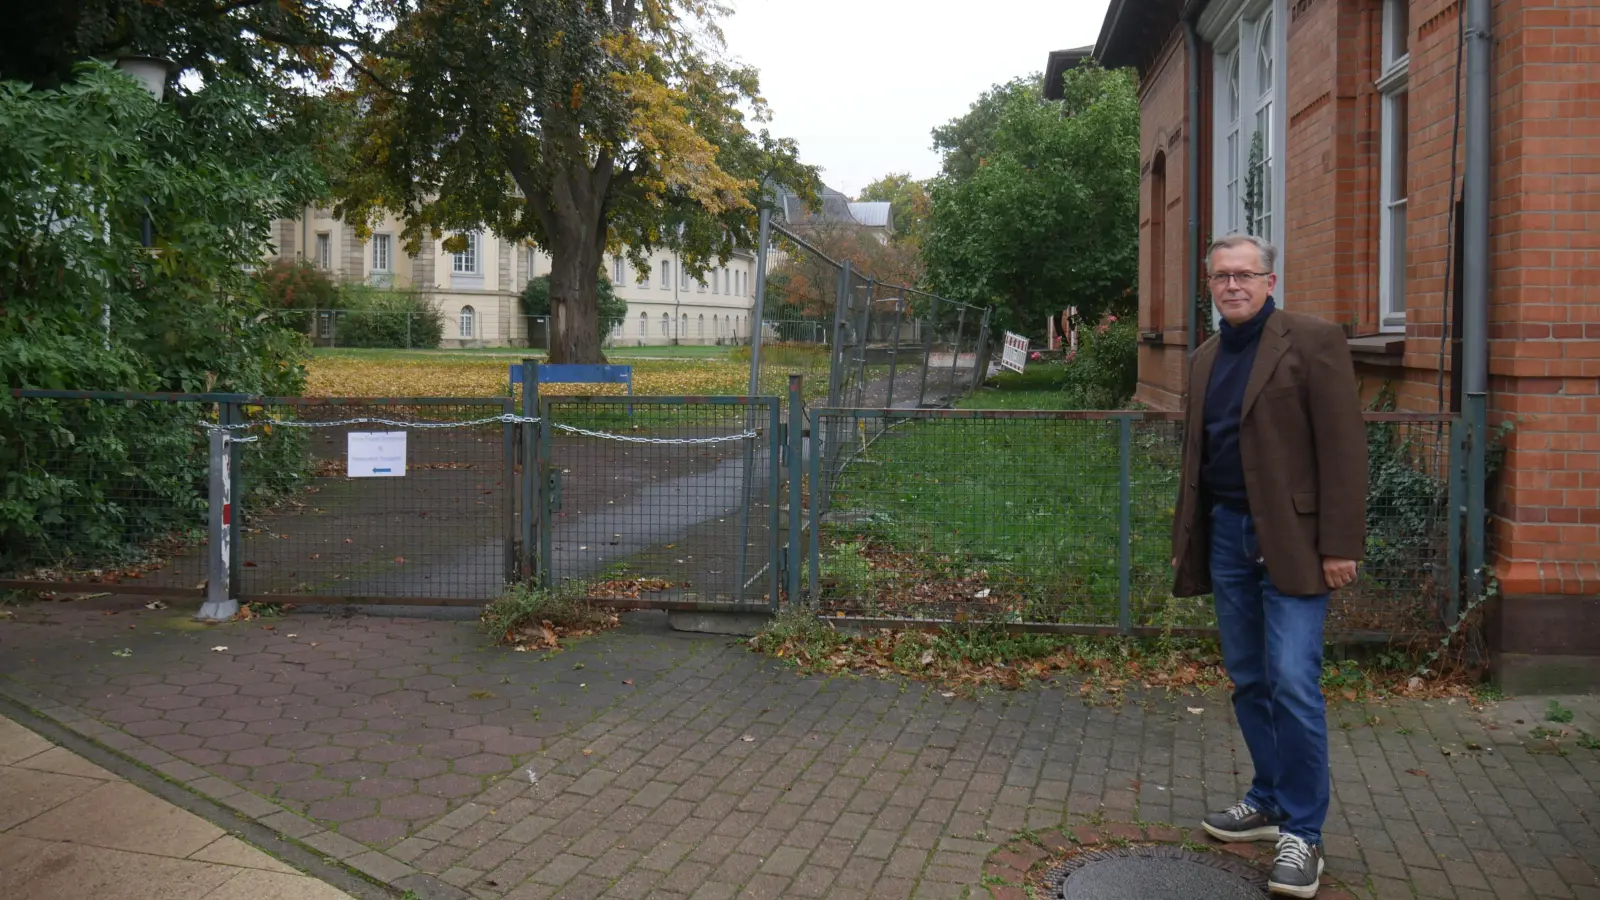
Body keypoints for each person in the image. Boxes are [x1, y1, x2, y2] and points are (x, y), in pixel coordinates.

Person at [1169, 234, 1368, 899]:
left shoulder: (1312, 342)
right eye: (1222, 276)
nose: (1233, 286)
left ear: (1270, 280)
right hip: (1227, 535)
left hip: (1294, 539)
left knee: (1291, 679)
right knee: (1249, 676)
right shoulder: (1201, 361)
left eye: (1245, 275)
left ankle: (1304, 835)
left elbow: (1343, 449)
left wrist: (1341, 544)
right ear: (1211, 285)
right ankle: (1270, 798)